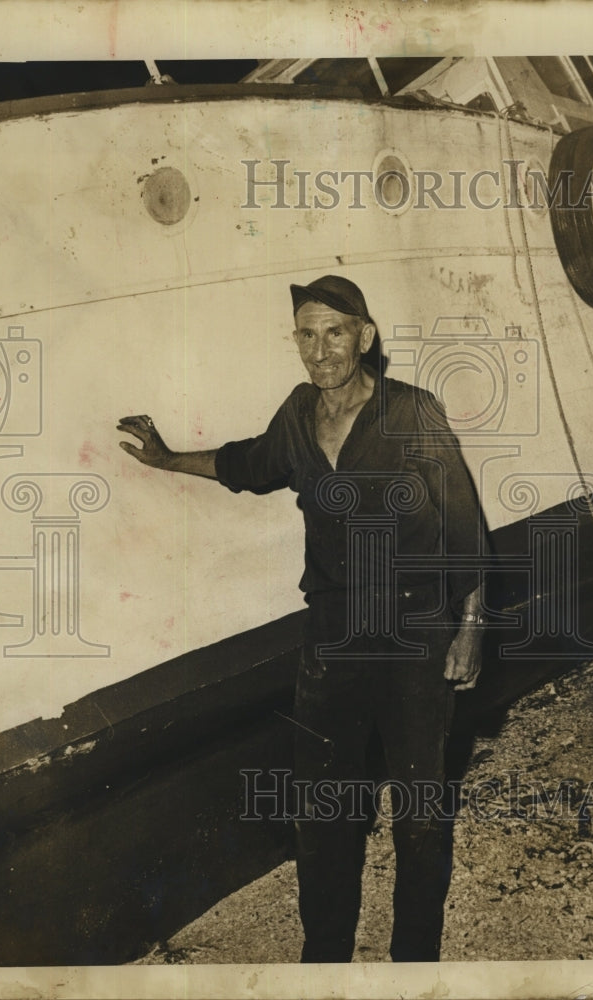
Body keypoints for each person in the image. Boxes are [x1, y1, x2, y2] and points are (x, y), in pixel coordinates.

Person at [118, 274, 490, 963]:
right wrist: (169, 458)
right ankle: (324, 957)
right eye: (307, 334)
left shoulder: (413, 412)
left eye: (335, 332)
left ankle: (414, 959)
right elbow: (249, 463)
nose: (320, 350)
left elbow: (466, 526)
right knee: (323, 808)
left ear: (364, 336)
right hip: (333, 634)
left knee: (416, 812)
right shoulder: (298, 413)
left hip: (416, 632)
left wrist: (470, 629)